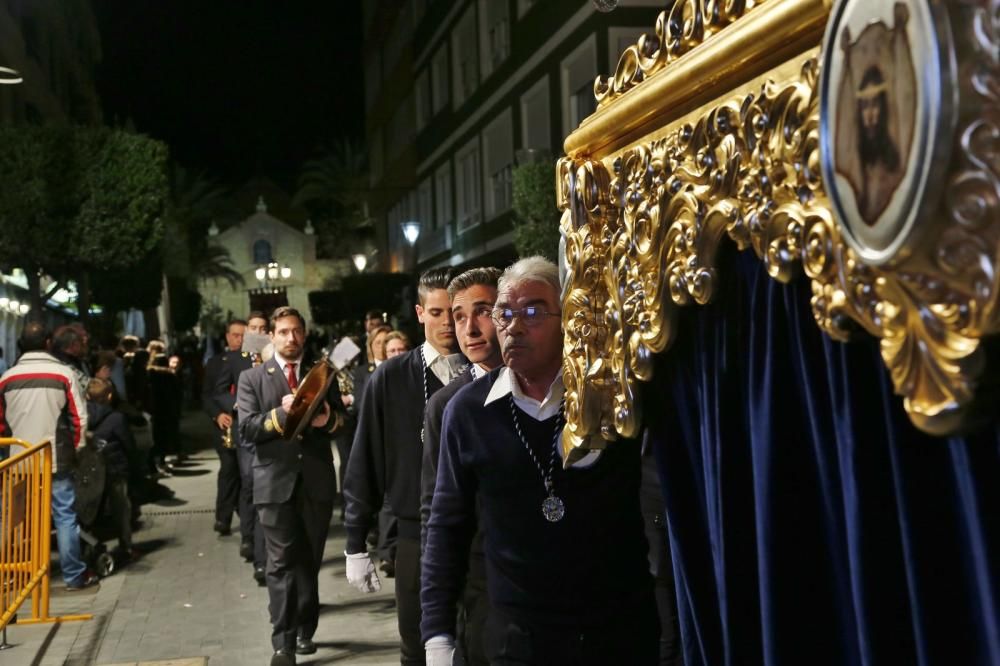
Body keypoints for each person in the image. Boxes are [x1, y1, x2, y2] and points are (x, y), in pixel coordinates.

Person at [422, 257, 657, 665]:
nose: (514, 327)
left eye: (532, 312)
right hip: (518, 635)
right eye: (504, 313)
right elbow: (446, 526)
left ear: (568, 320)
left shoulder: (609, 397)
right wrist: (437, 635)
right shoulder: (468, 411)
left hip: (615, 628)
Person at [344, 267, 465, 665]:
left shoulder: (486, 369)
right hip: (415, 536)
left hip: (478, 533)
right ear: (419, 312)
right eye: (437, 313)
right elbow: (365, 460)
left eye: (455, 312)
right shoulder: (390, 378)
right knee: (416, 646)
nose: (447, 323)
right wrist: (355, 542)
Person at [237, 306, 342, 665]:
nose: (291, 338)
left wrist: (326, 419)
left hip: (315, 481)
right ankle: (283, 641)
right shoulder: (253, 378)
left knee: (308, 561)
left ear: (304, 333)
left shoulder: (322, 374)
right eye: (283, 331)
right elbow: (247, 429)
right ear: (272, 336)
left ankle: (304, 629)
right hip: (273, 483)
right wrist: (284, 414)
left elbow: (343, 422)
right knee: (280, 563)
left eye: (296, 331)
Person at [420, 267, 503, 666]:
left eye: (483, 311)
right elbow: (437, 513)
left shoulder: (552, 386)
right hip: (481, 584)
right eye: (459, 316)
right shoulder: (448, 406)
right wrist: (439, 625)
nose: (469, 328)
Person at [0, 321, 95, 590]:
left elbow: (0, 422)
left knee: (15, 518)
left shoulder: (6, 378)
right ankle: (73, 576)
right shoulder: (64, 373)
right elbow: (79, 418)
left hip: (18, 459)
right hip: (55, 457)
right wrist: (76, 448)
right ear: (48, 343)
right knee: (64, 516)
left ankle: (12, 574)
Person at [220, 312, 270, 582]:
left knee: (262, 486)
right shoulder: (235, 360)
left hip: (269, 427)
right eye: (253, 328)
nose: (258, 332)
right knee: (249, 482)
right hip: (245, 428)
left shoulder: (273, 355)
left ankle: (261, 548)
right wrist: (233, 404)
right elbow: (218, 389)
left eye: (263, 328)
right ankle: (248, 537)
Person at [202, 319, 247, 537]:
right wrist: (218, 414)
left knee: (244, 473)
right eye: (236, 335)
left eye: (243, 335)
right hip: (224, 425)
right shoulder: (215, 363)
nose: (240, 339)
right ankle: (223, 517)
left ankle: (243, 515)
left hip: (244, 425)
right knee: (229, 470)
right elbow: (207, 395)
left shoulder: (252, 360)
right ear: (228, 337)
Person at [86, 377, 137, 560]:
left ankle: (92, 548)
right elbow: (128, 444)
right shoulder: (117, 418)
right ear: (109, 396)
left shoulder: (81, 419)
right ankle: (126, 546)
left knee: (92, 512)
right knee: (121, 510)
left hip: (91, 472)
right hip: (115, 469)